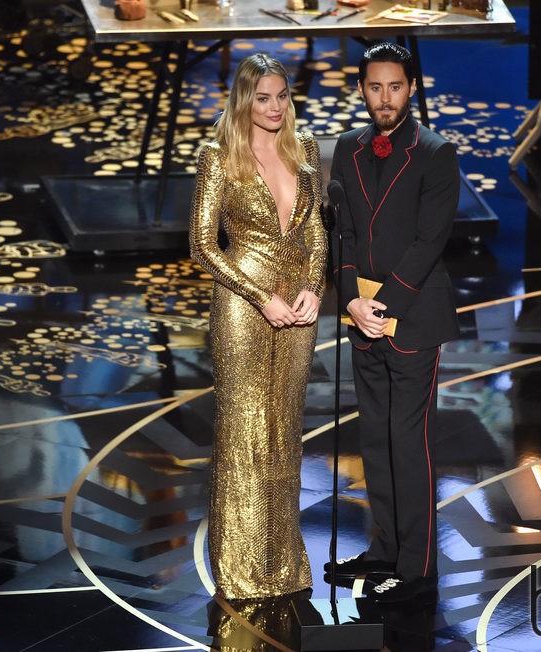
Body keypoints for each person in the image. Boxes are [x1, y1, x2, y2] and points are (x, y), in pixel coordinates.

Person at [189, 53, 327, 600]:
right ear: (244, 100)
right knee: (246, 432)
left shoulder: (307, 149)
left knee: (285, 433)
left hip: (299, 306)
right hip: (244, 305)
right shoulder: (218, 156)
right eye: (263, 97)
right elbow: (202, 244)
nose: (274, 107)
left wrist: (315, 288)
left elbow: (316, 230)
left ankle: (282, 567)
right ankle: (241, 571)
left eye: (282, 95)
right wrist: (258, 295)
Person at [326, 42, 460, 603]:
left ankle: (418, 565)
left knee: (409, 441)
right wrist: (353, 300)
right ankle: (383, 550)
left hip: (412, 317)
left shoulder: (435, 152)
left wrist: (385, 307)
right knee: (375, 440)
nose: (385, 98)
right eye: (375, 87)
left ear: (411, 88)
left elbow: (430, 241)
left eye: (395, 87)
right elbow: (344, 234)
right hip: (363, 316)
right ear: (362, 89)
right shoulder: (346, 149)